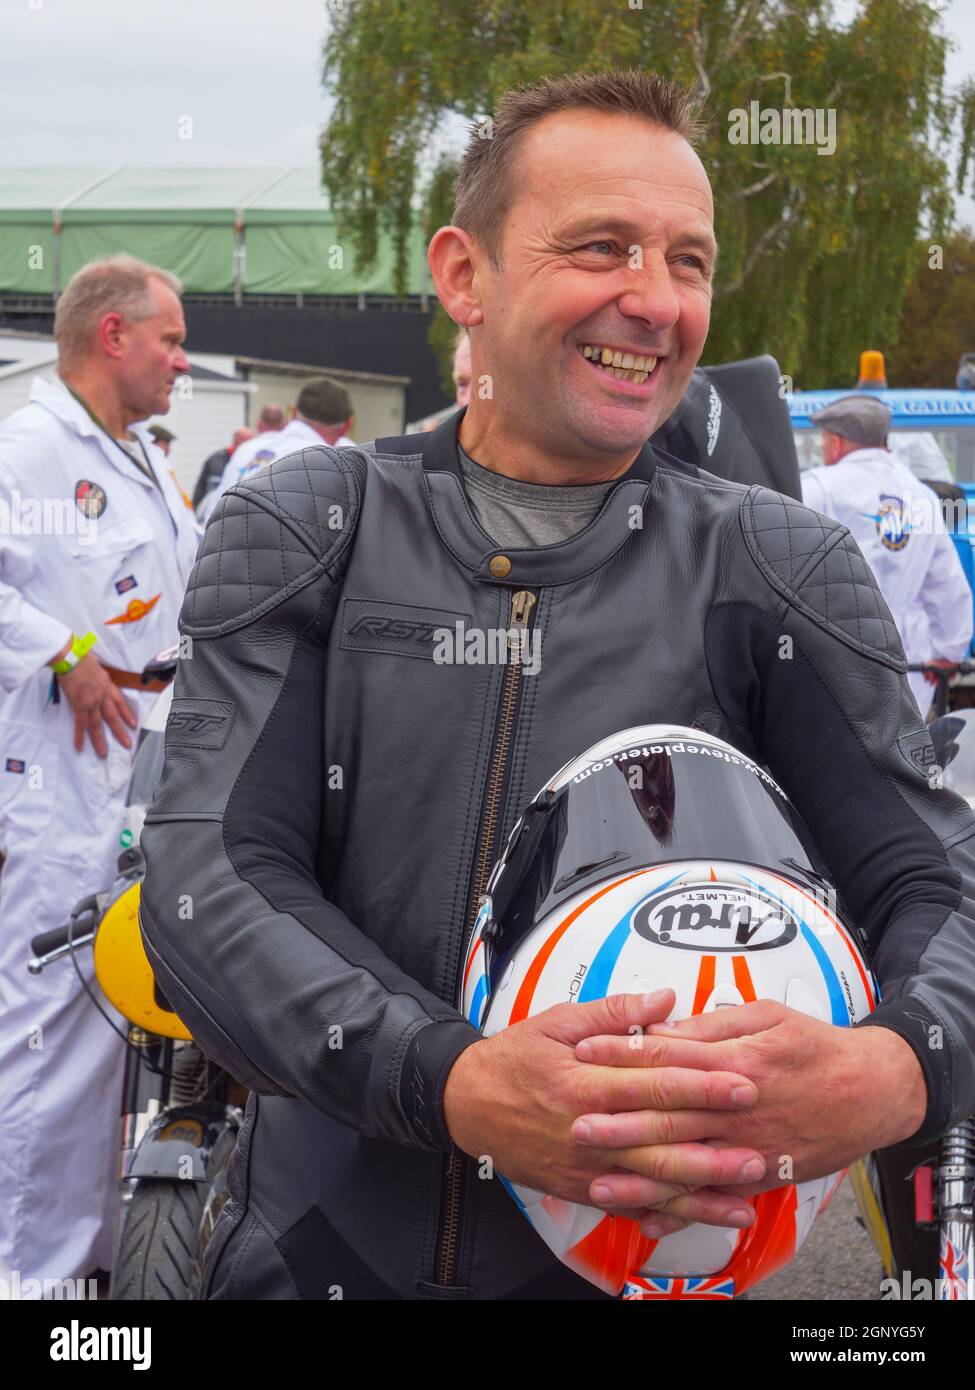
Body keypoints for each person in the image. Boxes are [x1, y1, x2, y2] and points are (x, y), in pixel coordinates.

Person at [141, 70, 975, 1302]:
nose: (654, 300)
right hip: (316, 1260)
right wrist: (456, 1082)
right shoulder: (312, 521)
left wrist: (899, 1067)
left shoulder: (777, 560)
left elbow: (938, 881)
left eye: (688, 262)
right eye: (603, 247)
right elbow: (206, 878)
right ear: (464, 274)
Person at [0, 254, 201, 1293]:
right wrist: (62, 653)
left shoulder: (139, 457)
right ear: (111, 336)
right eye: (168, 339)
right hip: (62, 772)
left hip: (141, 756)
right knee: (53, 1025)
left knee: (117, 1014)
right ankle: (30, 1275)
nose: (182, 359)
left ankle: (96, 1256)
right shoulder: (32, 448)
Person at [801, 395, 972, 716]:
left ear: (835, 443)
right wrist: (949, 651)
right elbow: (946, 583)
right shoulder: (922, 495)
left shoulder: (817, 488)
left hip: (837, 656)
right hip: (910, 665)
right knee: (899, 757)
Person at [205, 378, 355, 516]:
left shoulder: (246, 450)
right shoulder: (340, 462)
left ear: (294, 412)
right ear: (347, 425)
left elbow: (211, 515)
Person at [192, 426, 256, 512]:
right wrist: (194, 510)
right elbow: (200, 488)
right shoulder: (215, 459)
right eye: (249, 442)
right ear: (237, 441)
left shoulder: (254, 462)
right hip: (214, 510)